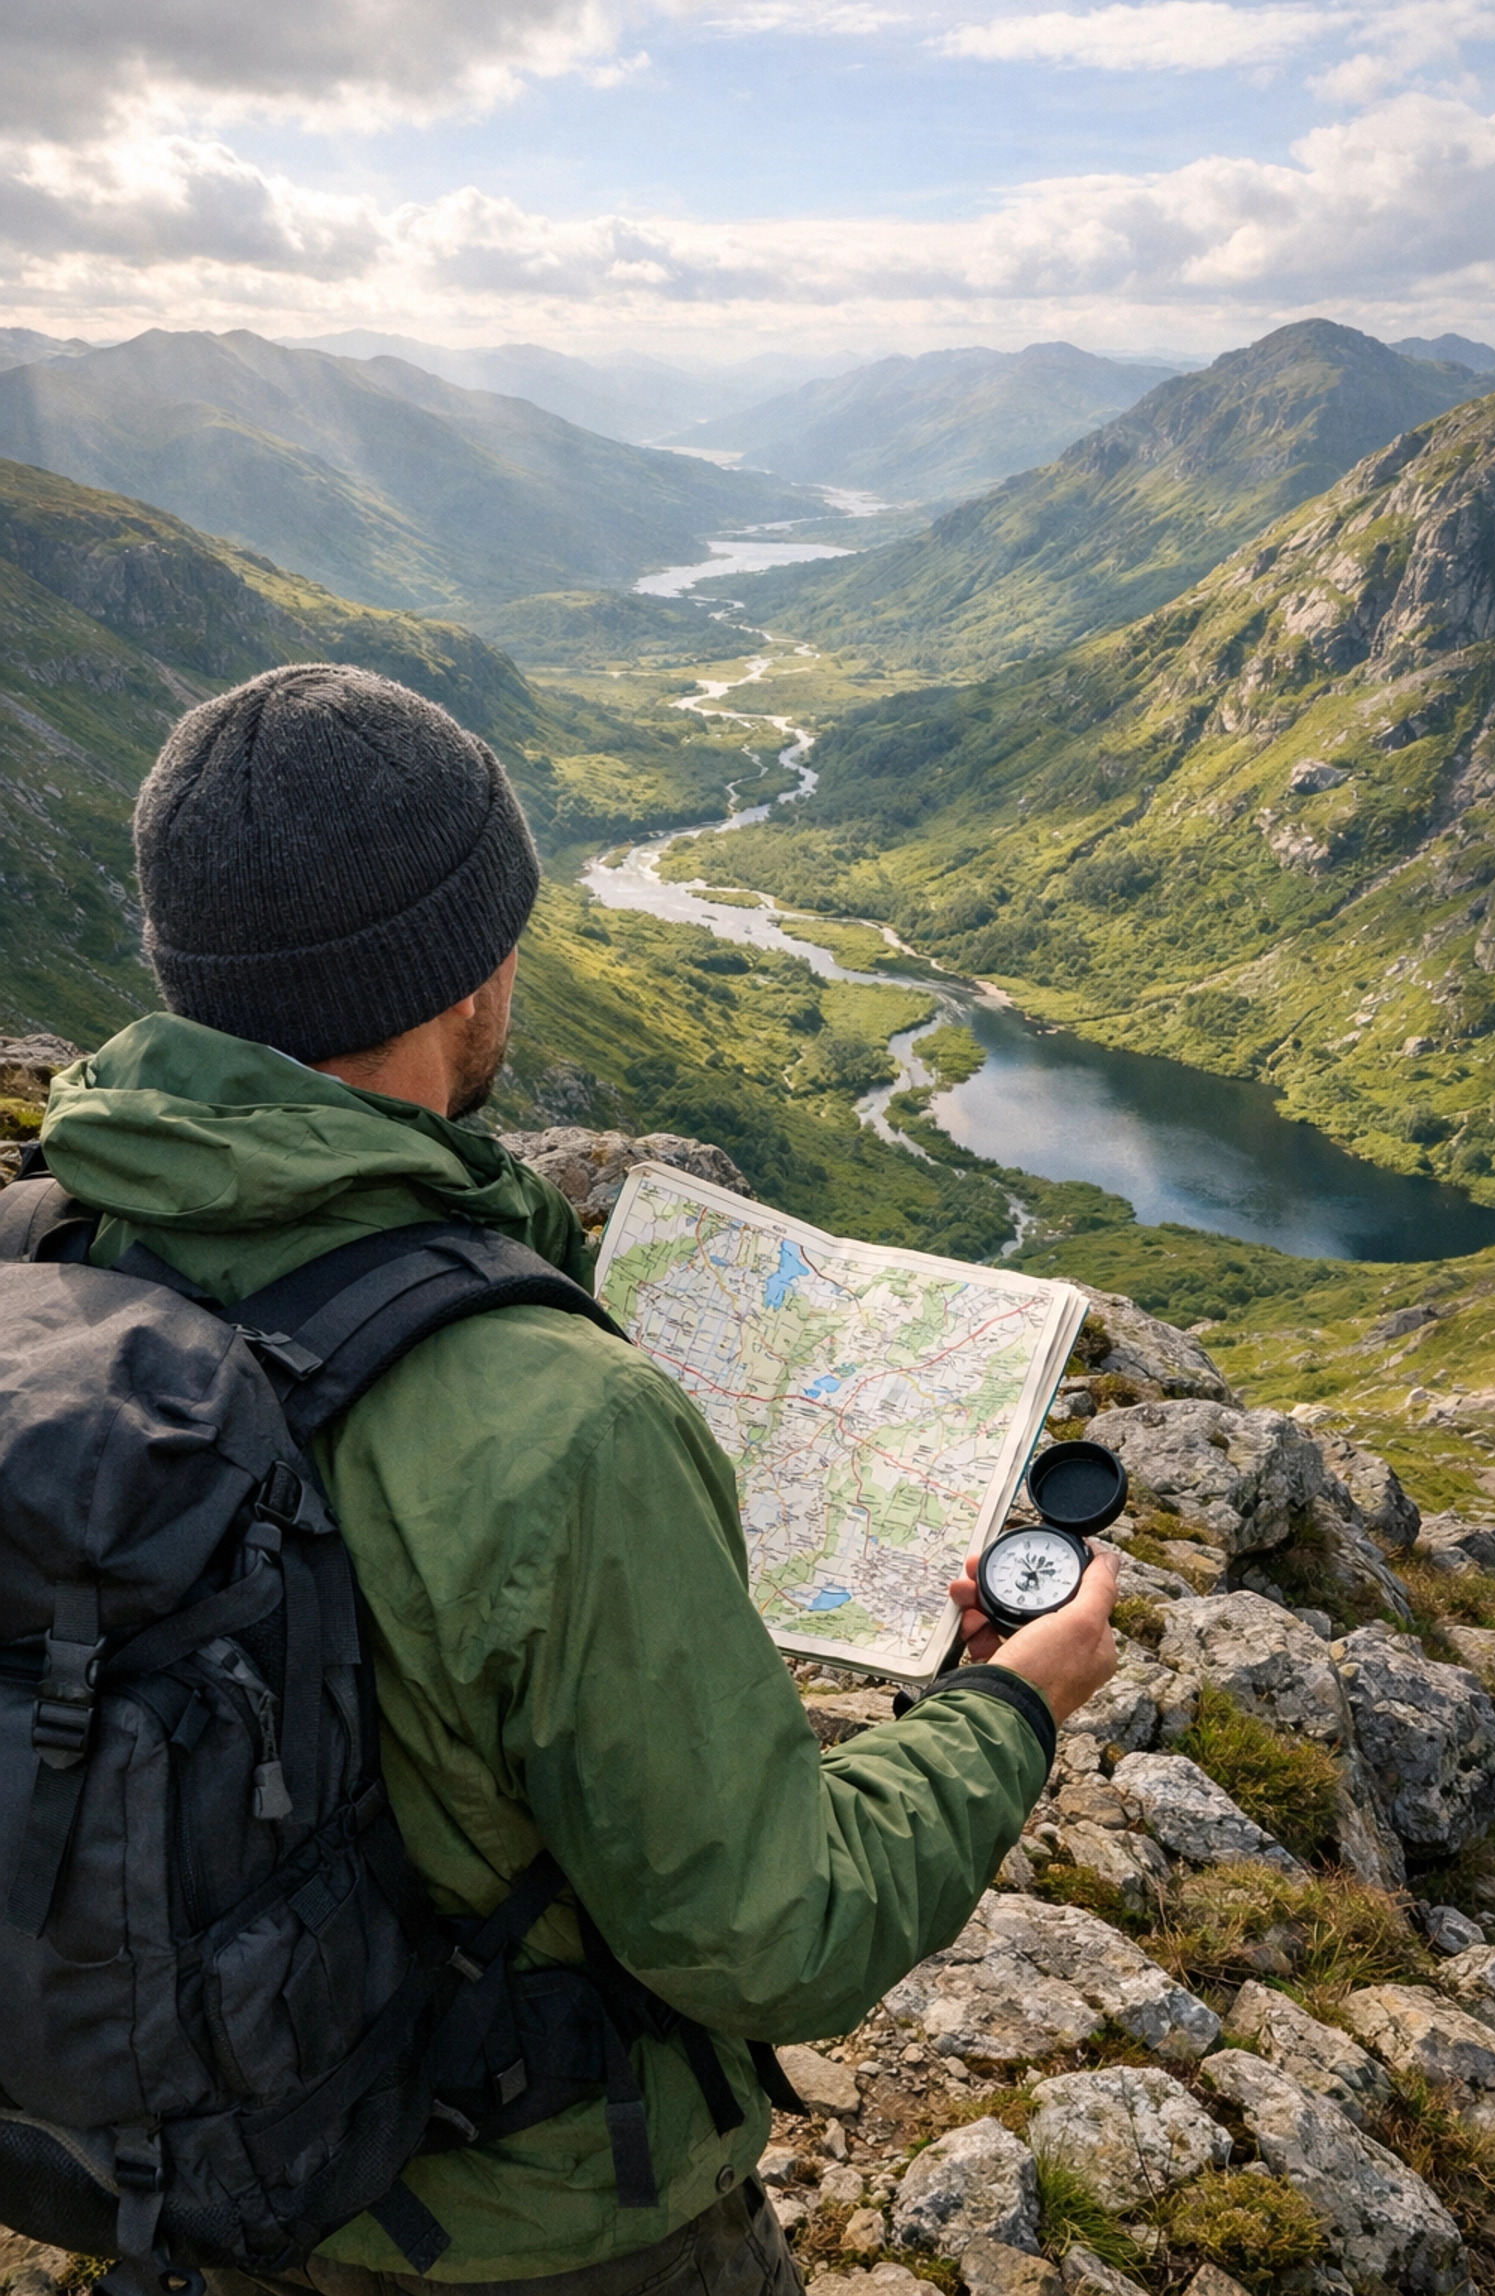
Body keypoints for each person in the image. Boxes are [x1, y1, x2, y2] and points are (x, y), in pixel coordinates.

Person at [38, 664, 1121, 2296]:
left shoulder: (47, 1263)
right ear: (461, 978)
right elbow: (779, 1934)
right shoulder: (561, 1425)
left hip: (155, 2176)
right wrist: (1011, 1705)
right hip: (526, 2230)